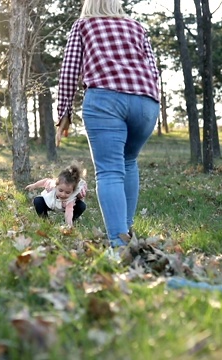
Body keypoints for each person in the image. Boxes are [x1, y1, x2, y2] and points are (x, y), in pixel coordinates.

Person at [56, 0, 160, 250]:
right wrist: (151, 104)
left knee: (110, 171)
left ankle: (118, 244)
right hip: (146, 102)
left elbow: (70, 71)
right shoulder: (137, 27)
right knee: (128, 161)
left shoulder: (84, 25)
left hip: (105, 99)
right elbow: (154, 71)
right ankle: (126, 231)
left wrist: (64, 113)